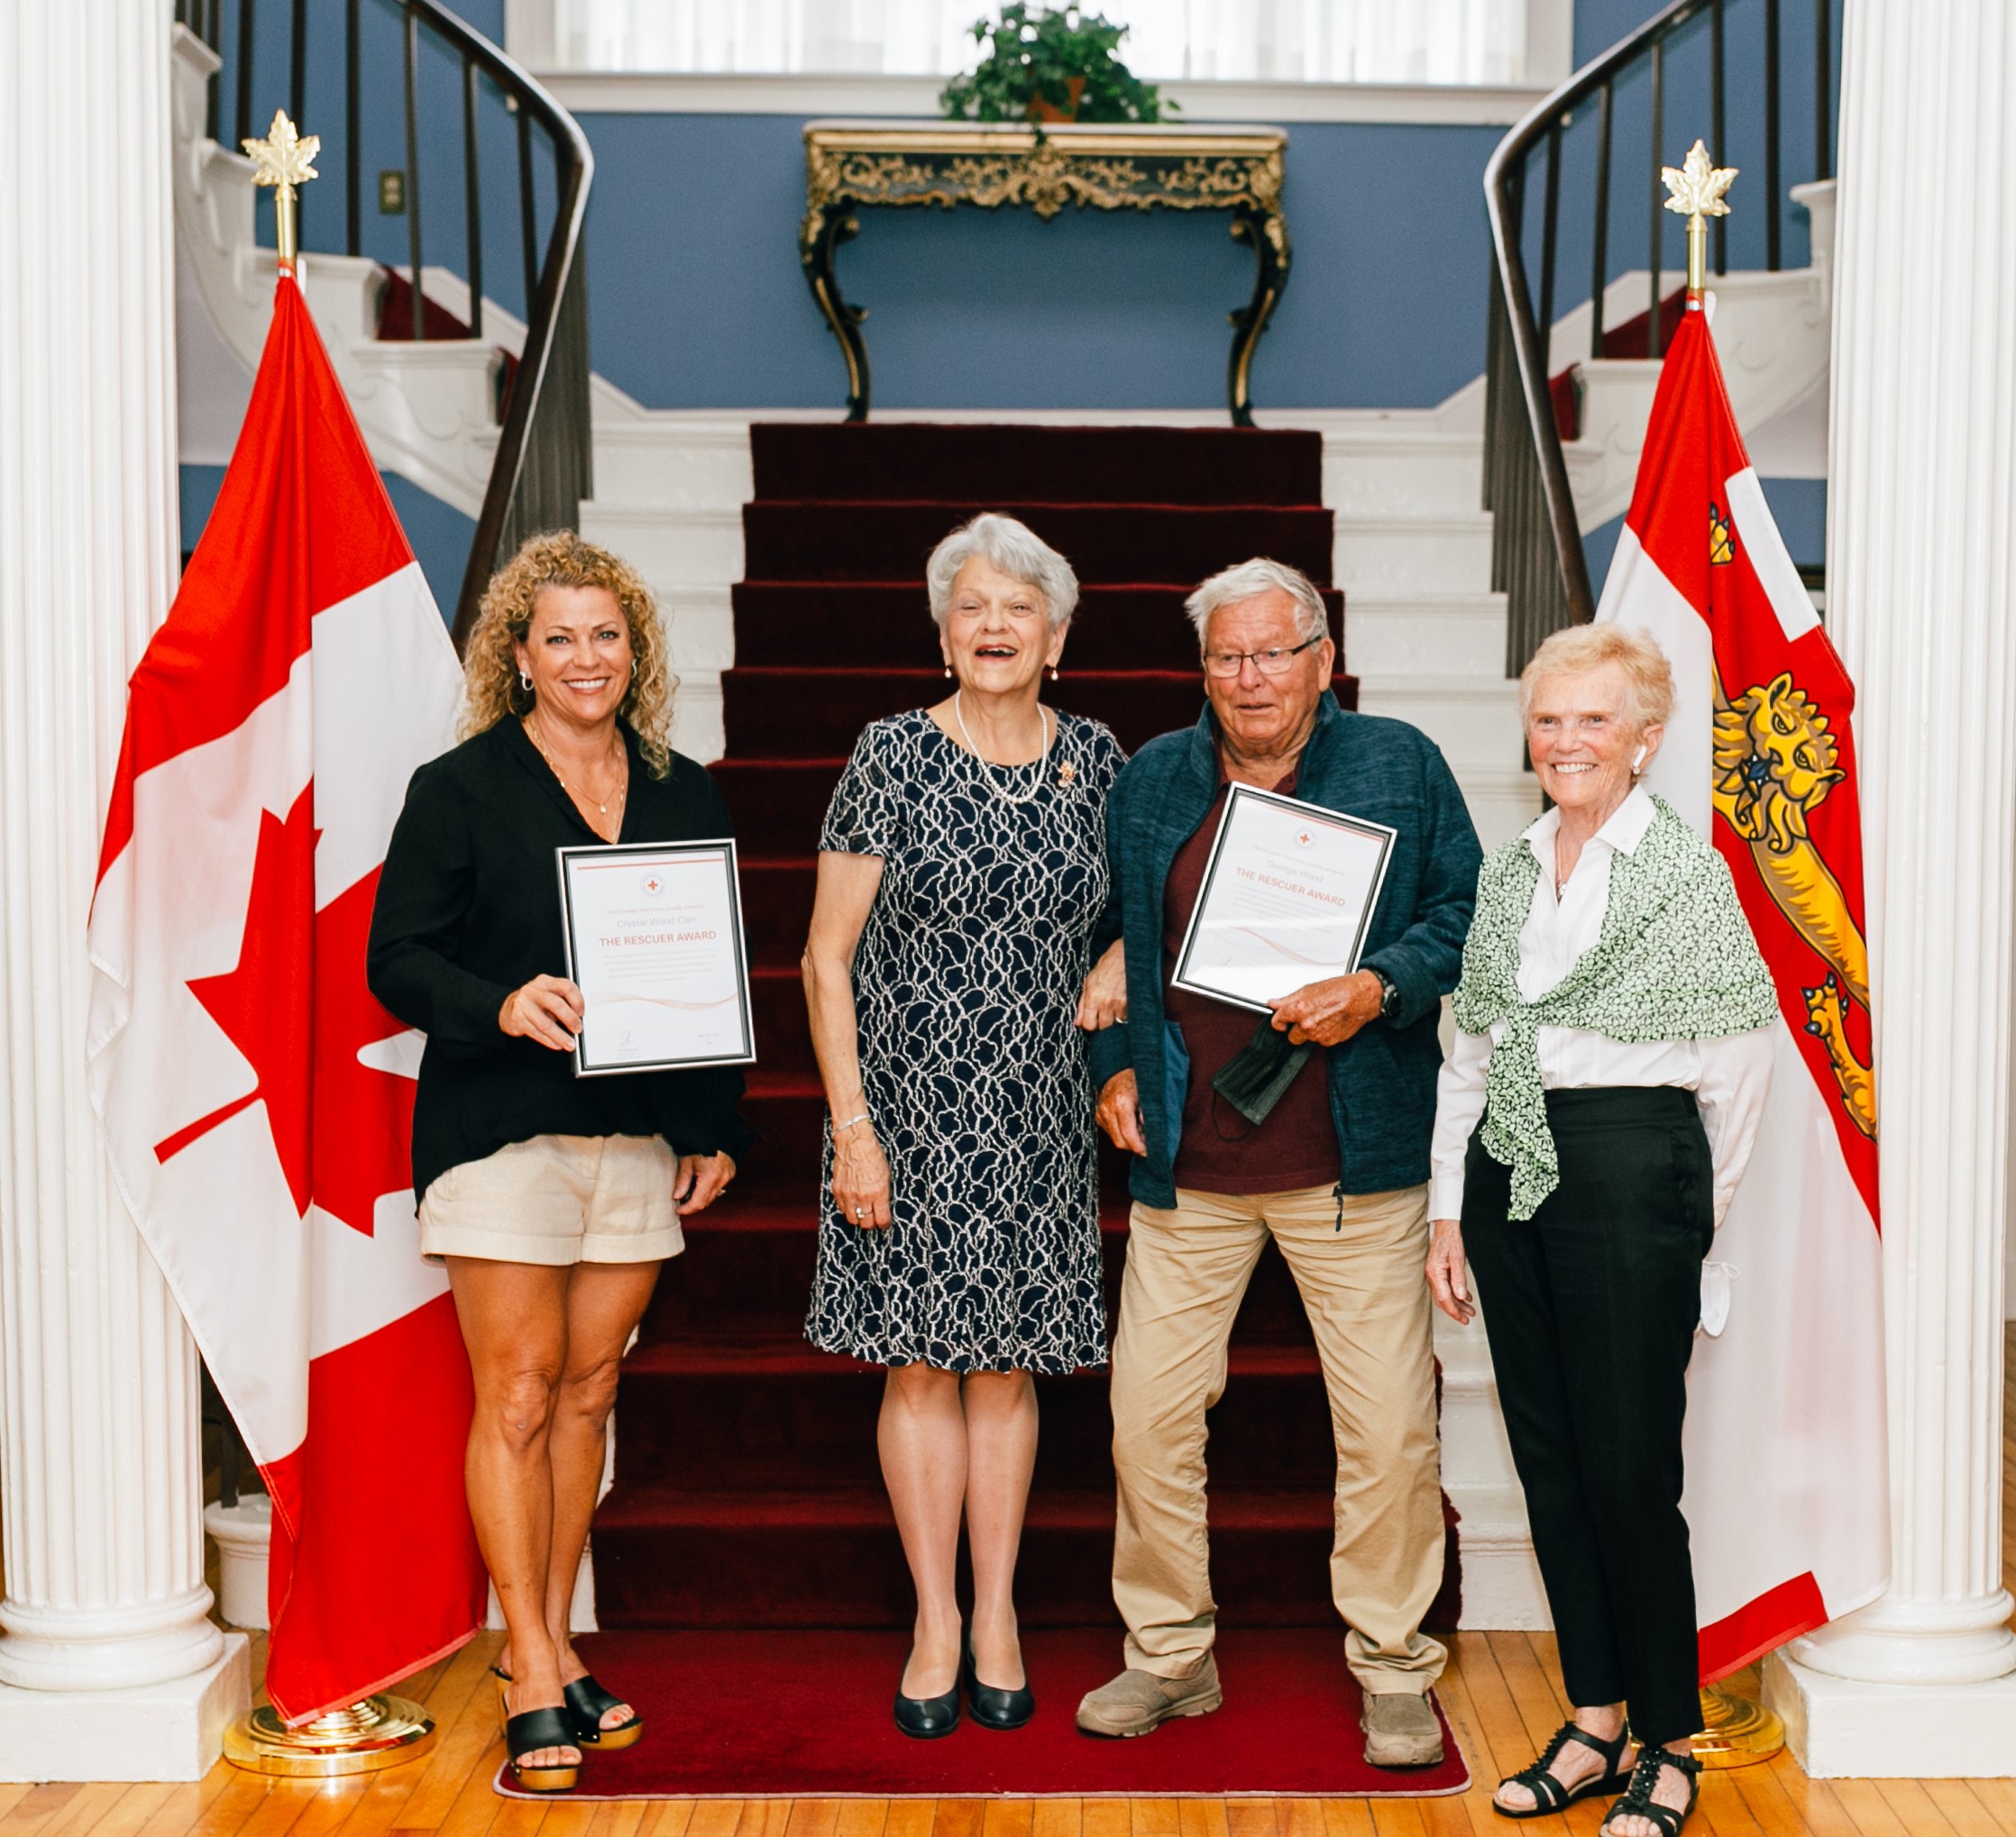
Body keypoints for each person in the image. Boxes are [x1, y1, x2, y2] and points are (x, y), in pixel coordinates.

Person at [1077, 556, 1480, 1768]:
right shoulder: (1154, 778)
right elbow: (1105, 940)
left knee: (1391, 1431)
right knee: (1147, 1415)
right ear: (1203, 668)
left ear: (1321, 659)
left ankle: (1395, 1664)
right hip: (1189, 1161)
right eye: (1225, 655)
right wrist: (1109, 1060)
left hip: (1354, 1160)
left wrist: (1381, 985)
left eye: (1270, 652)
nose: (1248, 676)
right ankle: (1169, 1653)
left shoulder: (1398, 763)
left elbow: (1463, 916)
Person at [367, 531, 749, 1794]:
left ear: (633, 650)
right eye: (561, 637)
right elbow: (398, 959)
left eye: (608, 634)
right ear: (519, 656)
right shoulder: (462, 785)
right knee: (520, 1393)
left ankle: (558, 1636)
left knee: (591, 1395)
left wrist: (713, 1125)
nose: (587, 657)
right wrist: (500, 1002)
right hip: (498, 1133)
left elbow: (708, 974)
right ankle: (530, 1664)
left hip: (634, 1141)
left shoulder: (681, 785)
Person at [1424, 623, 1775, 1837]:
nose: (1567, 740)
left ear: (1646, 739)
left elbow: (1737, 1071)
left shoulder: (1687, 877)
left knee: (1631, 1471)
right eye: (1549, 719)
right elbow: (1471, 1043)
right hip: (1507, 1171)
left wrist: (1686, 1219)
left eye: (1593, 720)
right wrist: (1443, 1209)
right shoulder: (1511, 868)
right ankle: (1594, 1718)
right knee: (1555, 1461)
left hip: (1634, 1171)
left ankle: (1672, 1743)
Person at [802, 513, 1125, 1739]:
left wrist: (1118, 958)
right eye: (974, 607)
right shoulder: (890, 752)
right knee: (923, 1362)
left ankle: (1000, 1611)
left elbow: (1152, 897)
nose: (996, 627)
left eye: (1019, 608)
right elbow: (824, 959)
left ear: (1059, 634)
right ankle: (936, 1616)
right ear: (944, 632)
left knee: (1009, 1368)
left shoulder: (1097, 756)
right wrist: (852, 1129)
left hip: (1041, 1113)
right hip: (910, 1112)